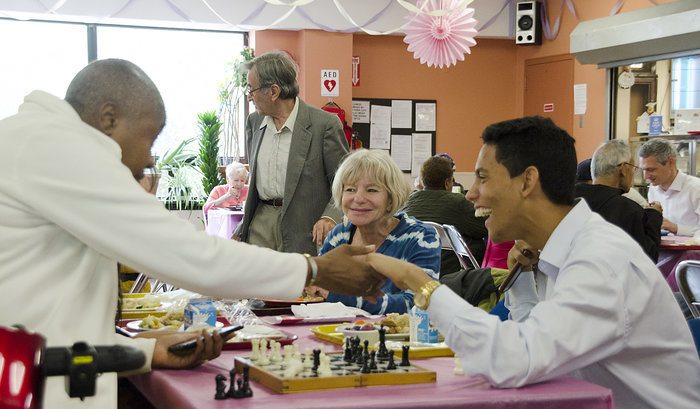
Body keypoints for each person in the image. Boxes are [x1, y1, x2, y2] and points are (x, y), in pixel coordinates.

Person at [0, 59, 383, 409]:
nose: (151, 158)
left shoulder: (39, 141)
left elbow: (57, 317)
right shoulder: (53, 147)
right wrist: (313, 270)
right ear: (108, 118)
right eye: (149, 139)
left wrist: (146, 352)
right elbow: (179, 252)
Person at [367, 116, 700, 409]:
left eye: (483, 178)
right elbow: (540, 347)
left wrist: (419, 282)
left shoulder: (599, 259)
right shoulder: (563, 249)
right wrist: (524, 280)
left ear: (527, 181)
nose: (470, 194)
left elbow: (514, 361)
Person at [233, 50, 349, 253]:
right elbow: (254, 186)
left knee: (300, 285)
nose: (249, 96)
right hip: (261, 226)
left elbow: (345, 181)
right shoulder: (254, 122)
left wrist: (330, 217)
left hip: (305, 230)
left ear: (274, 91)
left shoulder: (324, 125)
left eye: (252, 89)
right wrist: (243, 228)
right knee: (258, 284)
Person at [306, 149, 440, 314]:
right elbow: (318, 288)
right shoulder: (339, 236)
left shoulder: (420, 237)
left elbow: (418, 303)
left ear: (390, 199)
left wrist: (341, 296)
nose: (359, 199)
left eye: (372, 190)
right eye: (350, 189)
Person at [575, 140, 662, 262]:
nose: (633, 174)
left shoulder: (568, 201)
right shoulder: (627, 211)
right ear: (623, 169)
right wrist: (654, 216)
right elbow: (647, 261)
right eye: (633, 168)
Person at [401, 155, 487, 276]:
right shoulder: (458, 203)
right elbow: (487, 227)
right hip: (450, 275)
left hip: (412, 273)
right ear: (447, 183)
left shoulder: (408, 202)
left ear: (422, 181)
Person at [639, 137, 700, 236]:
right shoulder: (653, 189)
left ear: (671, 163)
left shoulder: (696, 189)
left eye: (651, 169)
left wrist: (676, 228)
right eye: (643, 170)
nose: (646, 176)